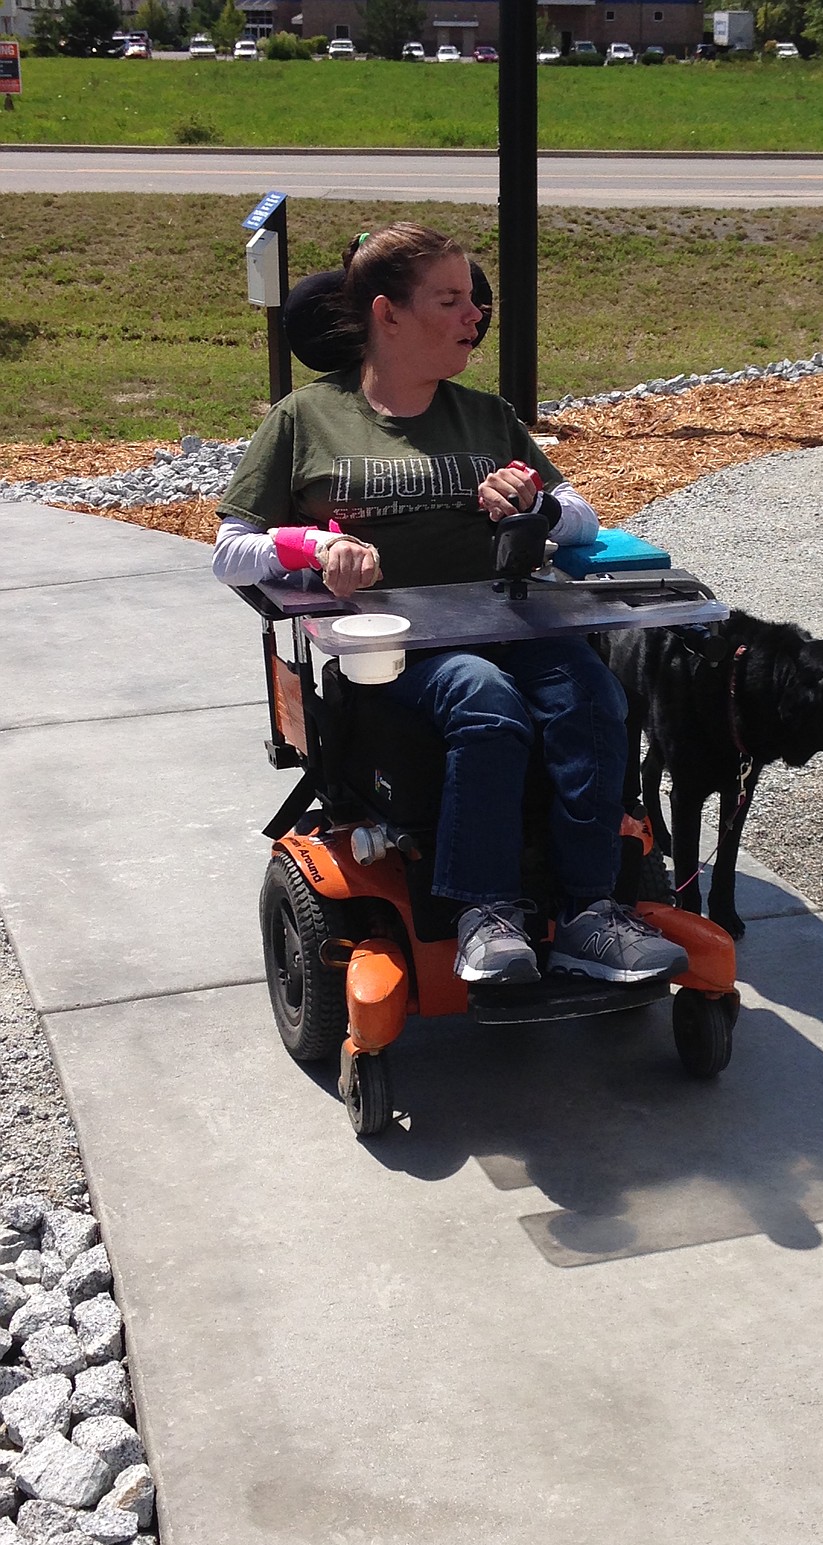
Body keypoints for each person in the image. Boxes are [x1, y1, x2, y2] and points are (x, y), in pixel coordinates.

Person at [213, 222, 687, 989]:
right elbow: (229, 550)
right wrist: (310, 547)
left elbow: (583, 518)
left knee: (594, 698)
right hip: (388, 645)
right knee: (485, 700)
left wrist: (534, 503)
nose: (477, 315)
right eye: (453, 299)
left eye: (474, 299)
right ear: (387, 313)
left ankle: (591, 914)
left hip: (506, 620)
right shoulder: (307, 418)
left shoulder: (485, 416)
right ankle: (484, 914)